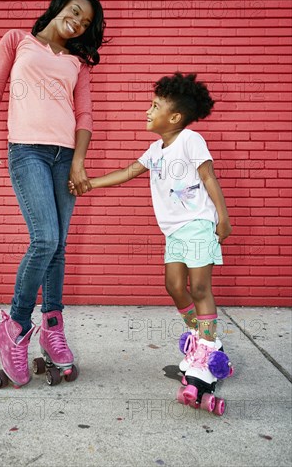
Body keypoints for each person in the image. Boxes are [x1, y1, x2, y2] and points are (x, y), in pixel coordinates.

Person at [69, 72, 232, 391]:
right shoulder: (156, 149)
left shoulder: (190, 140)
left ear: (174, 116)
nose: (147, 110)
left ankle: (206, 353)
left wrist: (223, 218)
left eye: (154, 105)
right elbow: (128, 173)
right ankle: (202, 337)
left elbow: (209, 177)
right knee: (173, 286)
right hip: (174, 233)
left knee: (199, 289)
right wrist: (87, 185)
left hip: (198, 225)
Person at [0, 0, 107, 386]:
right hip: (27, 152)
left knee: (59, 246)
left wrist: (79, 163)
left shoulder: (78, 63)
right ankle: (15, 325)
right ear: (58, 6)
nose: (76, 23)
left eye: (85, 22)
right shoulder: (17, 40)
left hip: (64, 156)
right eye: (73, 11)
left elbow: (84, 115)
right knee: (45, 239)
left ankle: (52, 326)